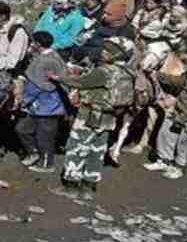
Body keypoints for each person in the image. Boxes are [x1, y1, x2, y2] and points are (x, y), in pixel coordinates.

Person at [57, 37, 134, 198]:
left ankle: (71, 185)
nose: (104, 52)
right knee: (97, 151)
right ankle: (89, 187)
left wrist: (58, 77)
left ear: (118, 55)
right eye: (104, 48)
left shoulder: (103, 71)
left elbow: (79, 83)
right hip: (109, 119)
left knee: (76, 147)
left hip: (89, 115)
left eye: (109, 50)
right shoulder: (128, 72)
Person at [16, 31, 67, 173]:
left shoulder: (44, 62)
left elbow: (35, 87)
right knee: (22, 129)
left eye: (33, 42)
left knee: (45, 137)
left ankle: (47, 164)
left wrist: (22, 101)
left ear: (38, 44)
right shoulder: (54, 56)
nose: (31, 45)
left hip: (48, 107)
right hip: (40, 106)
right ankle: (33, 153)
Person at [144, 79, 187, 180]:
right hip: (180, 105)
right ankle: (164, 161)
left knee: (184, 140)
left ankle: (179, 168)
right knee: (166, 130)